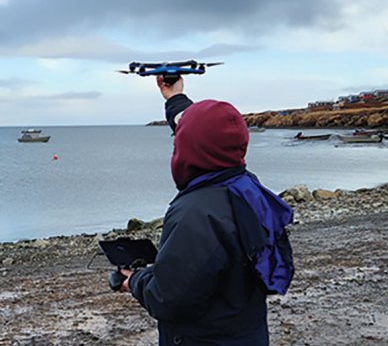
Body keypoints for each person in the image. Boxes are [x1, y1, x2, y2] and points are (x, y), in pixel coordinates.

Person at [118, 76, 294, 345]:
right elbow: (202, 133)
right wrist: (174, 97)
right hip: (245, 333)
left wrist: (135, 281)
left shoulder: (197, 214)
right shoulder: (246, 187)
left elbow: (170, 299)